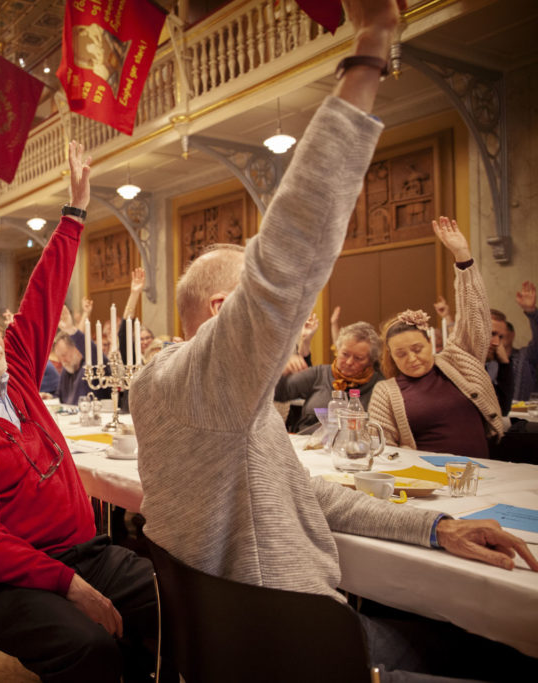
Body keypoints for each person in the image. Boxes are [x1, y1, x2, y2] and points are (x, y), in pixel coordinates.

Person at [130, 1, 536, 678]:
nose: (291, 326)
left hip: (247, 646)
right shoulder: (203, 381)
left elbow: (304, 494)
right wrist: (370, 51)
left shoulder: (180, 392)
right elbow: (288, 251)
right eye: (272, 314)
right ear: (229, 311)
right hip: (298, 651)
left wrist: (435, 526)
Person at [0, 140, 157, 683]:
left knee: (172, 598)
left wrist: (75, 210)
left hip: (84, 552)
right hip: (6, 583)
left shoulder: (15, 369)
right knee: (90, 647)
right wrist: (68, 585)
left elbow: (44, 293)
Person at [369, 218, 504, 459]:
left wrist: (462, 257)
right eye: (400, 354)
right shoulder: (386, 392)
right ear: (391, 357)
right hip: (429, 483)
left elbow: (474, 318)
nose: (412, 358)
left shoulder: (458, 362)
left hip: (484, 473)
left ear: (431, 343)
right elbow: (381, 450)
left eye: (418, 348)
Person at [275, 320, 383, 432]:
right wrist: (283, 370)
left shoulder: (379, 386)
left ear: (370, 361)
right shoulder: (319, 374)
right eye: (345, 354)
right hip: (308, 443)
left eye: (358, 358)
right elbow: (279, 393)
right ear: (337, 350)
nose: (349, 362)